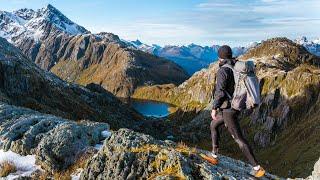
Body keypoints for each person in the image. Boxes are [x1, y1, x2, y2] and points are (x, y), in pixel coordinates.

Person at [210, 45, 265, 177]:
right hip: (231, 107)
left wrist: (214, 107)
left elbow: (220, 91)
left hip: (229, 109)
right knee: (214, 125)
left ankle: (257, 168)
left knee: (238, 138)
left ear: (220, 57)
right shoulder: (234, 65)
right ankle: (214, 155)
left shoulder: (223, 70)